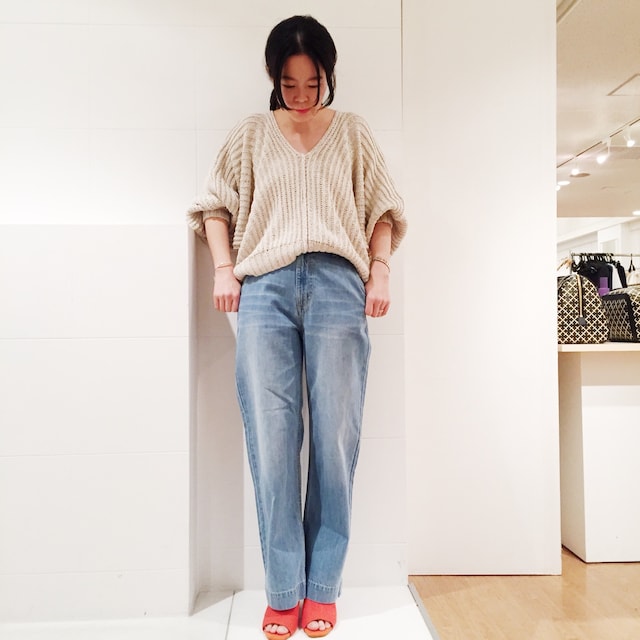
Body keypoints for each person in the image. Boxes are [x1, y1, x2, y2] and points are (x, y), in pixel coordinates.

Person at [187, 15, 407, 640]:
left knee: (335, 439)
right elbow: (213, 205)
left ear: (329, 75)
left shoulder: (354, 133)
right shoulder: (251, 136)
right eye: (289, 84)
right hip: (265, 289)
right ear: (273, 77)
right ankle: (283, 591)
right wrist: (224, 270)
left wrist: (380, 272)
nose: (302, 95)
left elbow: (383, 209)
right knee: (272, 438)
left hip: (339, 286)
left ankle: (323, 588)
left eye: (313, 83)